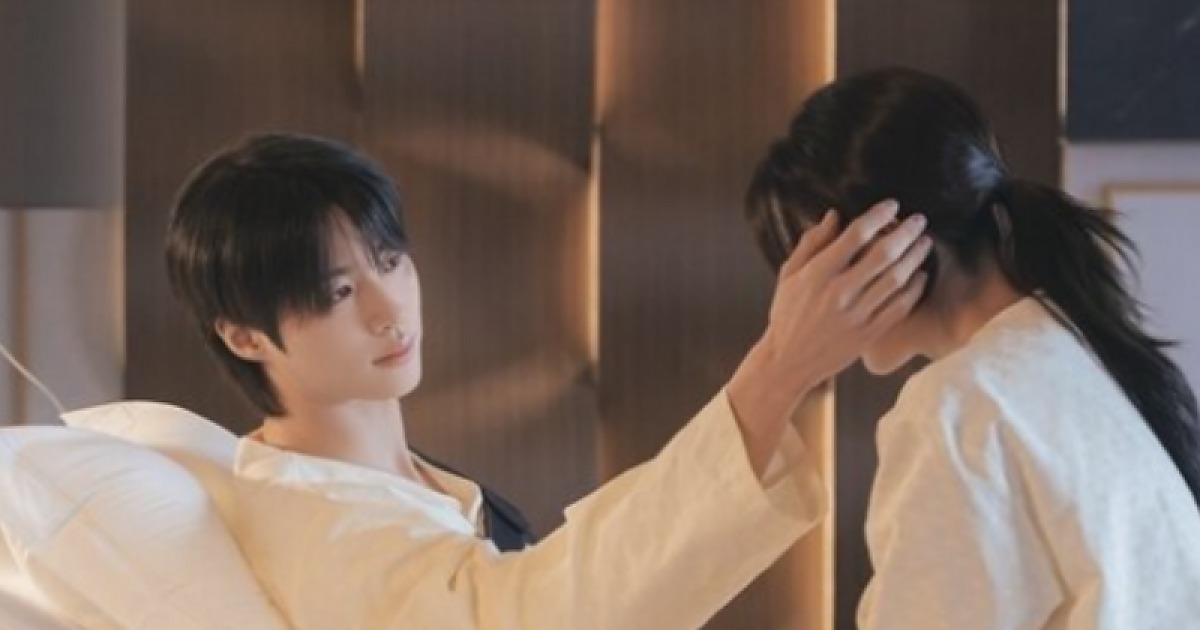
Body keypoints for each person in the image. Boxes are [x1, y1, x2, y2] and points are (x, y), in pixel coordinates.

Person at [164, 133, 930, 629]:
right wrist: (779, 368)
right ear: (244, 335)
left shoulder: (396, 476)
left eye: (390, 261)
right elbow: (540, 614)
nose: (388, 309)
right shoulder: (313, 530)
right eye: (337, 292)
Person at [746, 66, 1200, 629]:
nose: (801, 301)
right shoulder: (1072, 347)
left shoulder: (958, 410)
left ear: (889, 245)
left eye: (811, 267)